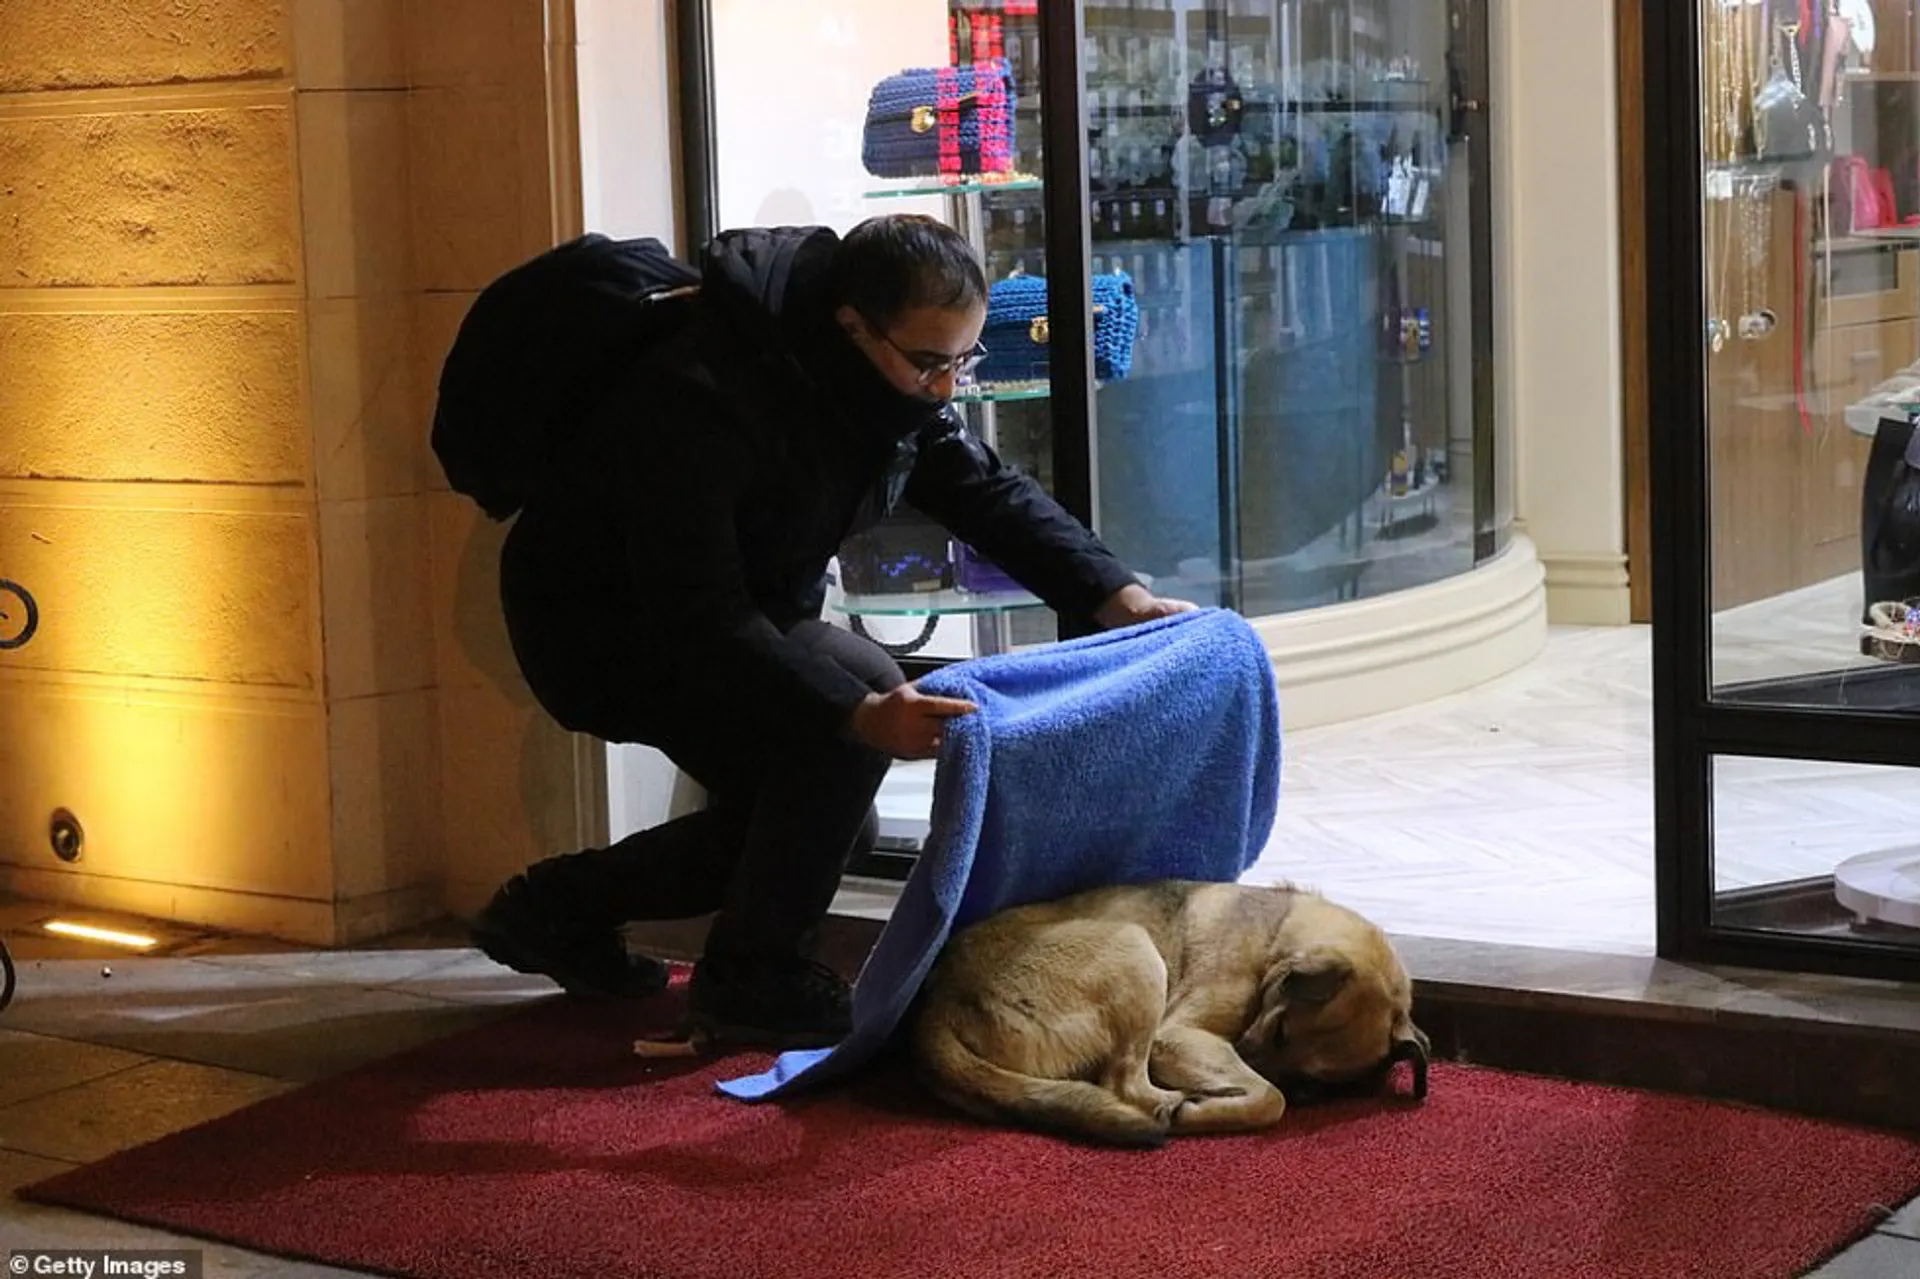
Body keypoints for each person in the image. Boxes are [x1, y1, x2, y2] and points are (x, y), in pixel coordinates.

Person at [473, 213, 1192, 1049]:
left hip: (734, 606)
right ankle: (749, 975)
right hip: (606, 627)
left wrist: (1118, 594)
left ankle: (558, 909)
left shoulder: (880, 382)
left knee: (819, 820)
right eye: (929, 361)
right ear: (851, 324)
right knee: (840, 734)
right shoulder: (701, 393)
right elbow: (697, 609)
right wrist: (851, 714)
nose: (947, 386)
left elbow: (985, 491)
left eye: (965, 359)